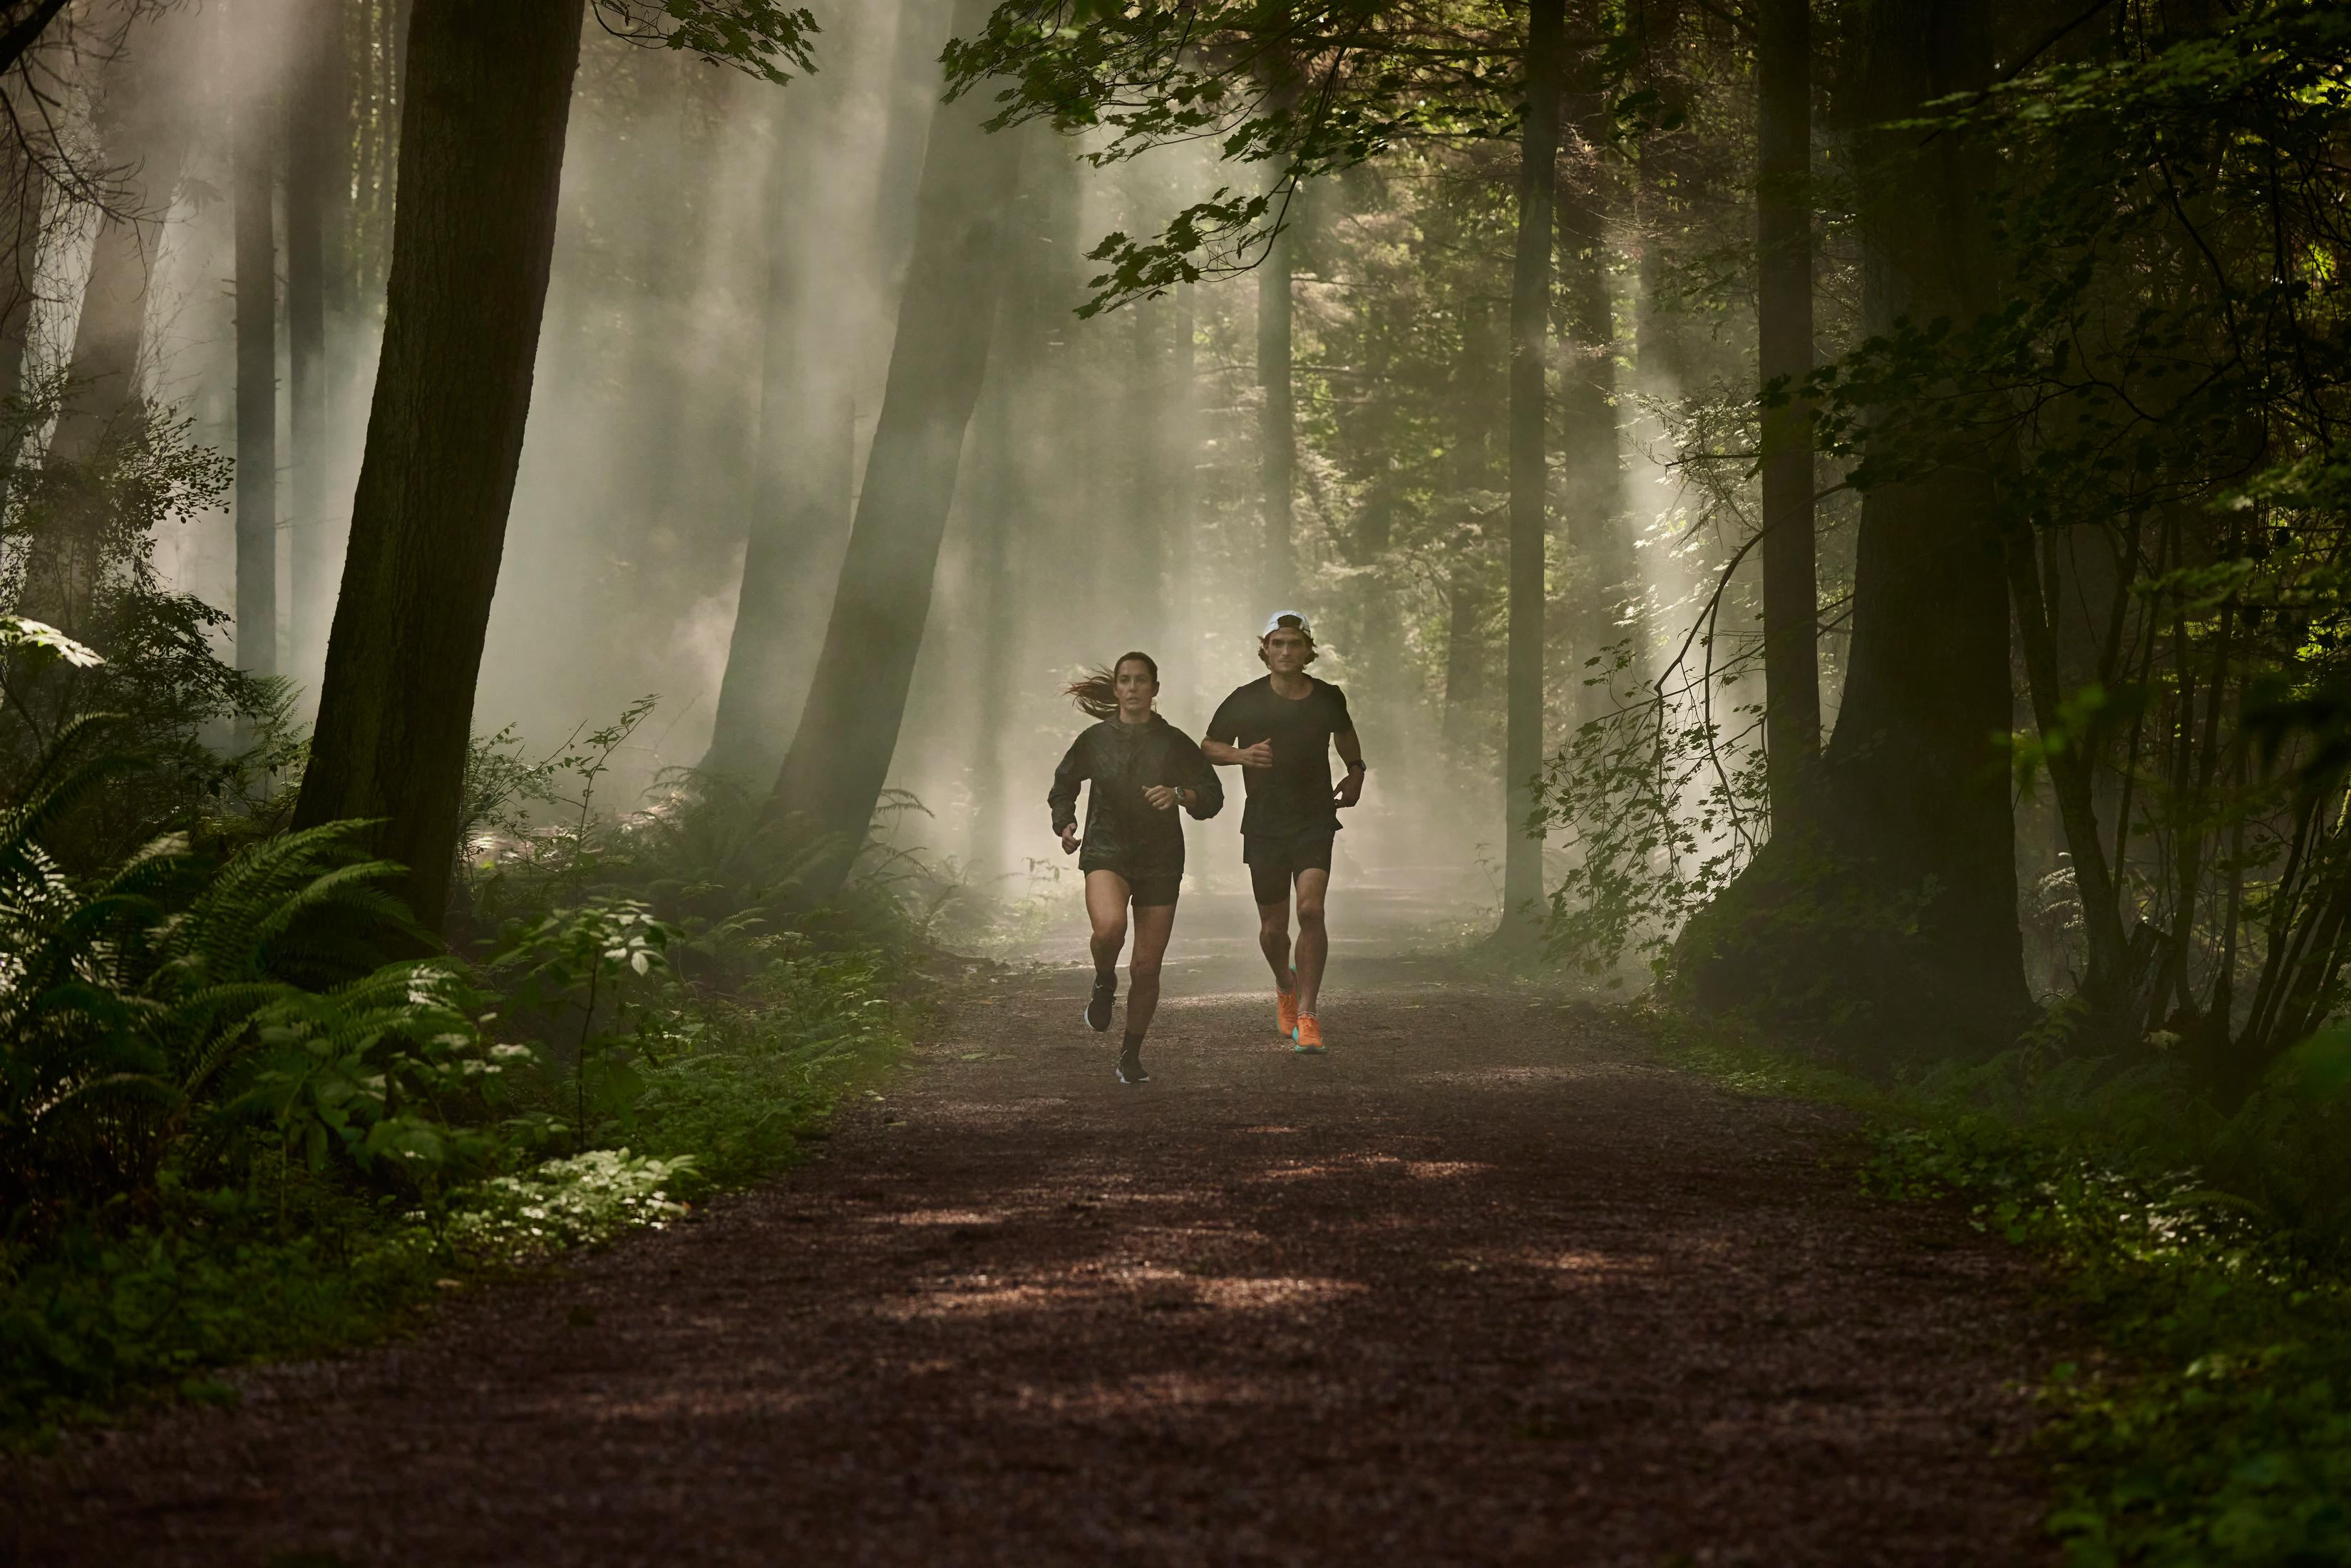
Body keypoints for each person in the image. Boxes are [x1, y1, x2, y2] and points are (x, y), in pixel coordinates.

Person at [1047, 651, 1224, 1085]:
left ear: (1154, 689)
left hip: (1160, 858)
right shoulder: (1095, 739)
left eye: (1141, 680)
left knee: (1146, 968)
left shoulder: (1173, 742)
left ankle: (1130, 1055)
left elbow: (1212, 795)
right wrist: (1065, 822)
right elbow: (1064, 784)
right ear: (1116, 689)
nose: (1132, 688)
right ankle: (1104, 979)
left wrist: (1179, 795)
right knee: (1110, 929)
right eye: (1125, 680)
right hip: (1106, 849)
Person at [1202, 612, 1365, 1054]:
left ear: (1308, 650)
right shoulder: (1245, 699)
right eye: (1278, 643)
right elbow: (1208, 746)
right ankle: (1284, 984)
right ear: (1266, 650)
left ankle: (1309, 1017)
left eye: (1295, 643)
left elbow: (1345, 736)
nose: (1286, 651)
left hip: (1314, 817)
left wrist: (1356, 771)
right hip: (1265, 823)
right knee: (1274, 929)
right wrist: (1242, 755)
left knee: (1311, 911)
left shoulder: (1328, 696)